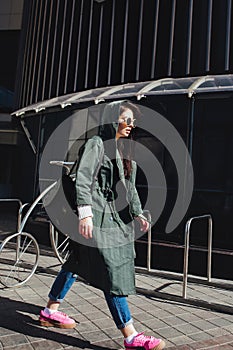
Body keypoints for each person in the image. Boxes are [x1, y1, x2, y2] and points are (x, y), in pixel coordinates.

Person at [39, 101, 166, 350]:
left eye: (133, 121)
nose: (130, 125)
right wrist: (85, 214)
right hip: (96, 216)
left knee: (76, 261)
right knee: (112, 269)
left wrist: (138, 213)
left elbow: (129, 187)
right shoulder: (97, 143)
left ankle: (49, 310)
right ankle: (131, 336)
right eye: (125, 119)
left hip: (109, 216)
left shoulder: (122, 150)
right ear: (112, 120)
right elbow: (83, 177)